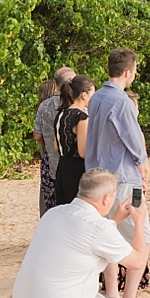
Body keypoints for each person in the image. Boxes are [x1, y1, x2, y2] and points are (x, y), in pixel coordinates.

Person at [12, 168, 149, 298]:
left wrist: (115, 219)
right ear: (106, 198)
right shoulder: (99, 228)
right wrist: (139, 221)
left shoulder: (55, 213)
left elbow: (88, 235)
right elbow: (138, 261)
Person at [85, 48, 150, 298]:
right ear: (128, 72)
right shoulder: (121, 101)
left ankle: (112, 294)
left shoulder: (97, 97)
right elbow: (134, 141)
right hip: (123, 178)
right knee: (143, 238)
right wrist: (143, 166)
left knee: (107, 236)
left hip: (97, 177)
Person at [99, 89, 150, 293]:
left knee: (111, 235)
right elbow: (142, 160)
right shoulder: (134, 131)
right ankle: (129, 296)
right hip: (129, 183)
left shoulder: (105, 132)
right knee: (143, 237)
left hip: (107, 181)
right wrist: (144, 179)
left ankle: (112, 291)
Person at [33, 67, 76, 213]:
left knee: (51, 208)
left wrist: (50, 145)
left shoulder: (44, 105)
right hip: (73, 166)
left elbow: (37, 135)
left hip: (51, 164)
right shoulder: (75, 104)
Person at [53, 75, 95, 206]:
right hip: (77, 170)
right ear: (84, 95)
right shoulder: (81, 117)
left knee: (63, 207)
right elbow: (83, 152)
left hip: (62, 167)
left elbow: (56, 146)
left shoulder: (60, 114)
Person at [36, 79, 58, 217]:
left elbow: (38, 136)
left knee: (46, 199)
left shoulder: (41, 111)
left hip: (47, 160)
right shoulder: (55, 110)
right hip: (55, 160)